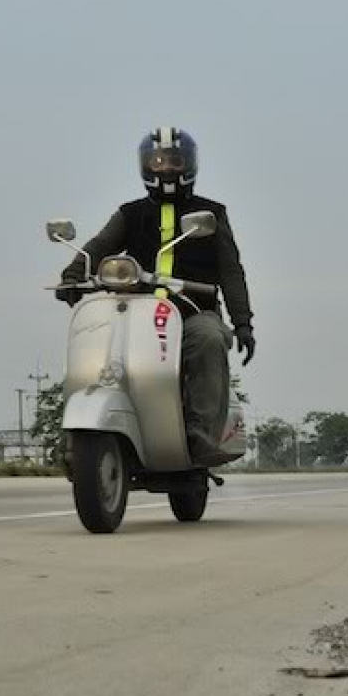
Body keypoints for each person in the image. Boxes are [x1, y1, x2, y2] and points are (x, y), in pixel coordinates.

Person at [55, 127, 256, 466]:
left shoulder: (211, 214)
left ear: (189, 165)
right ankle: (79, 439)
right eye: (158, 161)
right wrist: (73, 275)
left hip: (193, 313)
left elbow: (231, 272)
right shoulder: (130, 214)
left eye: (174, 161)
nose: (166, 169)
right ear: (145, 166)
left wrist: (243, 323)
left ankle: (201, 436)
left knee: (208, 339)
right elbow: (98, 246)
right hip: (134, 313)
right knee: (96, 345)